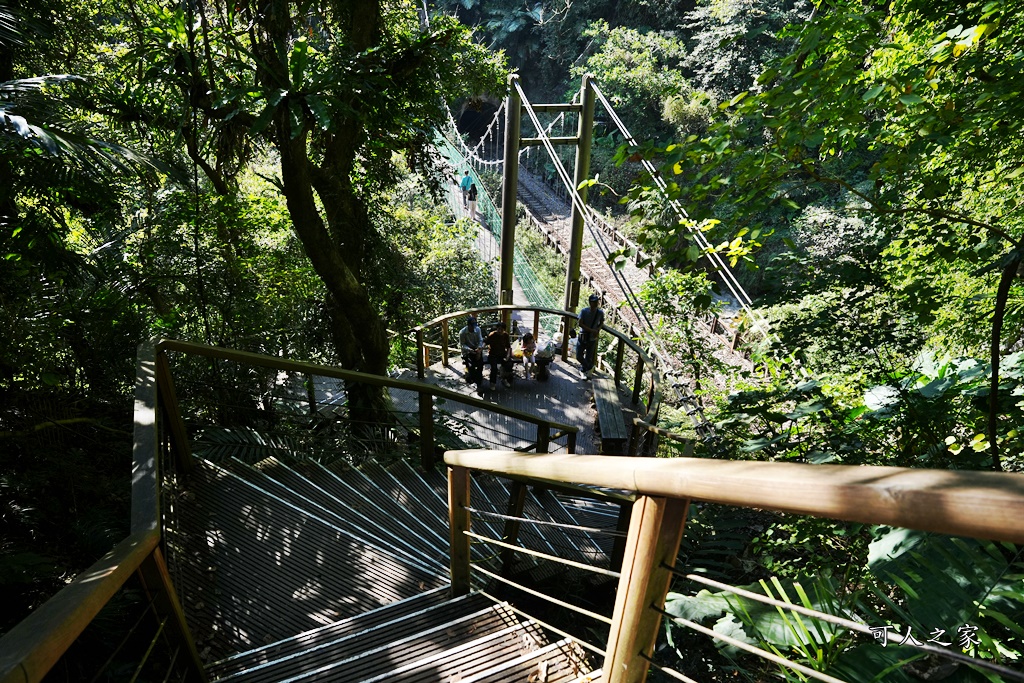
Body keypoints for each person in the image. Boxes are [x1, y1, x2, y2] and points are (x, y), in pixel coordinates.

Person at [577, 293, 605, 377]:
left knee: (589, 357)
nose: (596, 303)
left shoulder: (600, 312)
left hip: (592, 338)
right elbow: (580, 323)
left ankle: (584, 371)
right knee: (579, 356)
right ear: (590, 302)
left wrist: (598, 329)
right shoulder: (584, 311)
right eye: (594, 302)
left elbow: (602, 322)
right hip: (583, 336)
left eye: (597, 301)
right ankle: (589, 367)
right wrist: (592, 330)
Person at [484, 320, 513, 387]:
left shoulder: (505, 335)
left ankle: (504, 379)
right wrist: (480, 349)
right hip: (493, 354)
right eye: (498, 329)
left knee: (509, 364)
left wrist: (508, 355)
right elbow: (485, 342)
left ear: (504, 330)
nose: (500, 331)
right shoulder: (492, 335)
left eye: (501, 329)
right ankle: (492, 383)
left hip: (502, 354)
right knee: (494, 368)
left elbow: (508, 347)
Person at [458, 315, 484, 385]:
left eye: (475, 325)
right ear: (468, 325)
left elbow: (480, 340)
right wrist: (469, 350)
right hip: (467, 351)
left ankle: (478, 379)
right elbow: (462, 345)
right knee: (471, 365)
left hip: (476, 349)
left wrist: (478, 349)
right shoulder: (462, 332)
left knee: (480, 364)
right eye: (472, 325)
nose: (474, 327)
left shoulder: (478, 329)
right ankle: (475, 380)